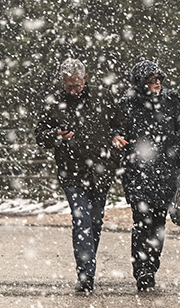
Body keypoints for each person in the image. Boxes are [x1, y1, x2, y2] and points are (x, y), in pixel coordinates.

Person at [35, 58, 125, 293]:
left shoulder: (103, 97)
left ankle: (87, 267)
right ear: (62, 83)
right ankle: (86, 275)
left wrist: (116, 136)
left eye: (76, 85)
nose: (73, 91)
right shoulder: (54, 102)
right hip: (72, 173)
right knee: (81, 222)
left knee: (95, 222)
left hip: (101, 171)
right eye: (68, 86)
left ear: (85, 79)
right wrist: (56, 134)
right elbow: (40, 136)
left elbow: (119, 123)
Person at [113, 59, 180, 291]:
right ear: (141, 82)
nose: (157, 83)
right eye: (152, 79)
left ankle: (152, 266)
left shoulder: (171, 99)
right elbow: (116, 128)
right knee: (141, 221)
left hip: (166, 172)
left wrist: (178, 152)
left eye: (159, 78)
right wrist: (117, 138)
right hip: (137, 173)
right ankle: (142, 271)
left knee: (158, 222)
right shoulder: (128, 103)